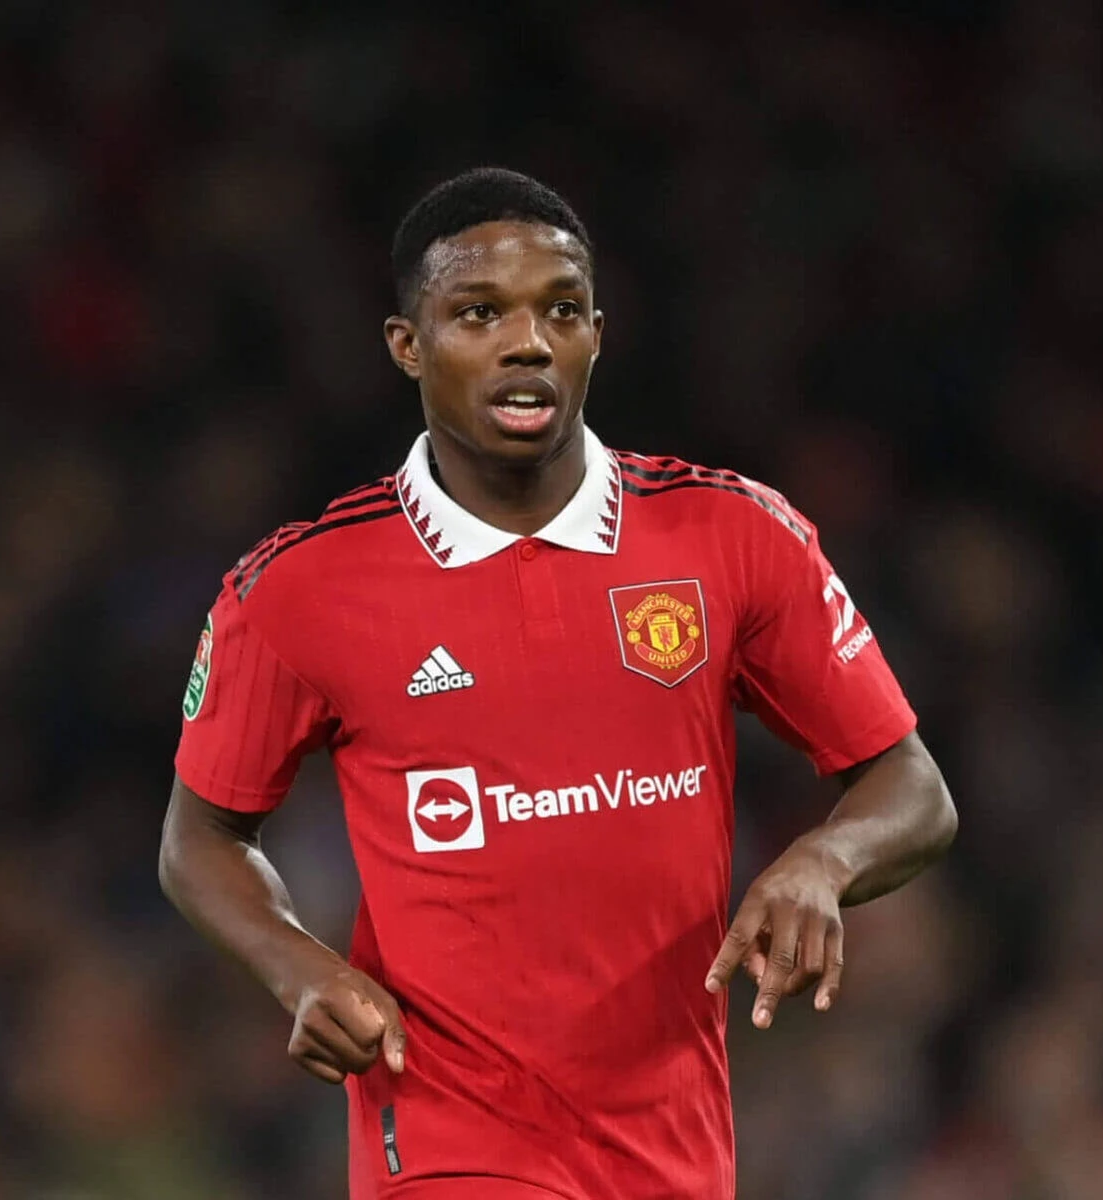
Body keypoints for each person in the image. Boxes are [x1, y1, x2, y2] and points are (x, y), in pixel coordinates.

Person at [159, 167, 958, 1199]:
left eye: (560, 310)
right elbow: (200, 838)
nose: (526, 342)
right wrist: (299, 968)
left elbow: (912, 788)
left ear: (595, 337)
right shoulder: (297, 589)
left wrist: (822, 860)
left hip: (673, 1145)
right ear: (408, 345)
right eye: (478, 313)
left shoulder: (731, 538)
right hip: (442, 1133)